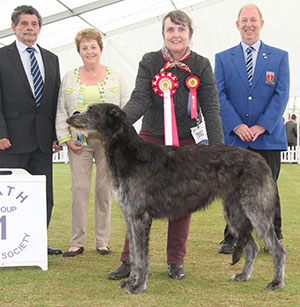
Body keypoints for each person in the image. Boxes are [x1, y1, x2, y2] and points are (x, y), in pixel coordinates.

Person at [108, 10, 224, 280]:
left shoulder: (201, 65)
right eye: (170, 30)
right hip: (150, 139)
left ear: (190, 35)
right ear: (163, 34)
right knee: (136, 203)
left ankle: (175, 261)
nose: (175, 35)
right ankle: (129, 259)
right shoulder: (150, 61)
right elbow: (140, 98)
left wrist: (218, 147)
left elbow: (211, 108)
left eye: (181, 29)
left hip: (186, 143)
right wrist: (120, 121)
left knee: (182, 201)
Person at [214, 4, 290, 254]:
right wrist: (237, 125)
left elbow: (281, 95)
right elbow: (219, 94)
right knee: (232, 189)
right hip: (235, 139)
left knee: (269, 188)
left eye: (253, 20)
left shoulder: (280, 57)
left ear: (261, 23)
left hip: (267, 137)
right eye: (244, 20)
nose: (249, 24)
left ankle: (274, 235)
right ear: (237, 25)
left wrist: (260, 126)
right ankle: (232, 236)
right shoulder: (223, 58)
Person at [55, 28, 130, 257]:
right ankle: (77, 241)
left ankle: (102, 241)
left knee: (103, 189)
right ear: (79, 51)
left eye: (93, 46)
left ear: (100, 49)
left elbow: (126, 110)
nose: (89, 51)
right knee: (79, 189)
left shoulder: (116, 77)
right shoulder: (69, 77)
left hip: (108, 144)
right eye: (84, 47)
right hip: (79, 142)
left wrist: (119, 139)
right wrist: (66, 139)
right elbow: (61, 110)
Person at [0, 5, 62, 255]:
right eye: (24, 24)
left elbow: (56, 100)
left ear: (40, 28)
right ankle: (7, 243)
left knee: (43, 196)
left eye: (34, 24)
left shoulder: (51, 58)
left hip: (43, 141)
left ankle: (37, 242)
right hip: (11, 141)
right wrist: (0, 132)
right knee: (10, 197)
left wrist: (58, 135)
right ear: (14, 27)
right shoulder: (2, 56)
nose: (29, 28)